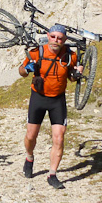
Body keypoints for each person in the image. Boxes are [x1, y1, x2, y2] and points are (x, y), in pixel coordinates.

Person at [18, 24, 83, 189]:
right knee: (31, 136)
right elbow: (21, 71)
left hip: (57, 100)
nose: (56, 40)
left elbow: (71, 78)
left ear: (65, 40)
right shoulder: (37, 52)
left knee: (59, 138)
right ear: (48, 35)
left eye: (60, 38)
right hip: (38, 98)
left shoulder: (70, 56)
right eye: (53, 36)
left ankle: (52, 174)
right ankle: (29, 157)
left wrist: (77, 74)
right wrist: (27, 69)